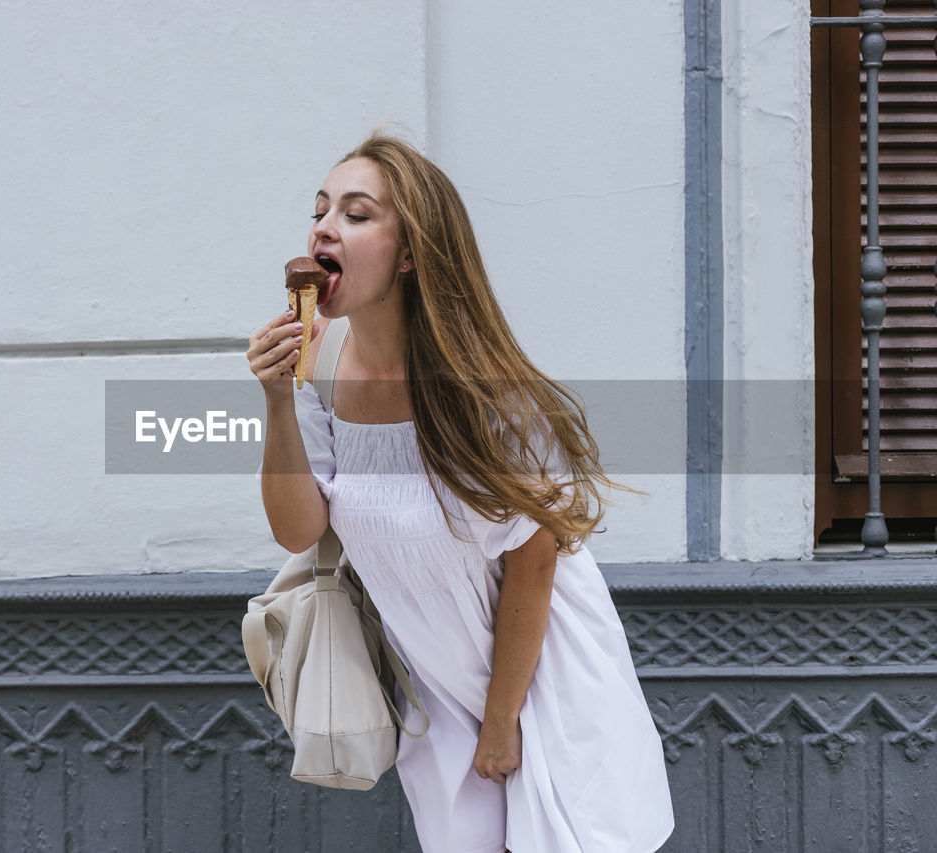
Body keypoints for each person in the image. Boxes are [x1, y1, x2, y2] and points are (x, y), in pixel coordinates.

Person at [247, 131, 674, 853]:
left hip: (544, 680)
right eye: (320, 210)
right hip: (435, 689)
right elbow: (298, 528)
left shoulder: (481, 391)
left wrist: (503, 719)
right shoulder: (316, 361)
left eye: (355, 213)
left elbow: (535, 562)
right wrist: (277, 399)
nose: (323, 226)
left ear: (411, 251)